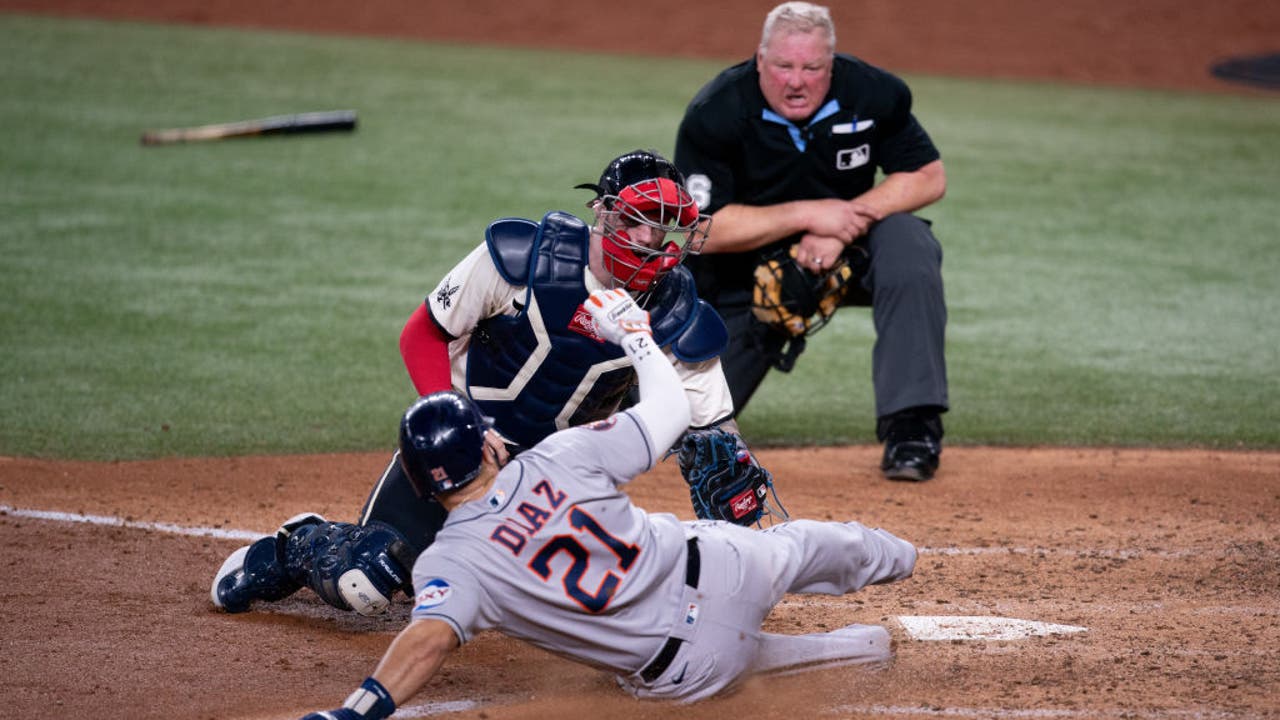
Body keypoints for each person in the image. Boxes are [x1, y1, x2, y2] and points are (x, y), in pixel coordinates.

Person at [211, 150, 781, 618]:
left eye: (671, 231)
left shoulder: (678, 315)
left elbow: (714, 442)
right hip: (461, 457)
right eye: (642, 225)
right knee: (368, 579)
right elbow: (422, 336)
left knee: (609, 604)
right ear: (605, 215)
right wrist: (458, 421)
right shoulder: (519, 260)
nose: (656, 245)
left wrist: (740, 542)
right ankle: (298, 548)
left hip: (555, 483)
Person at [296, 288, 917, 718]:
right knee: (805, 546)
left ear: (417, 478)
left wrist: (357, 712)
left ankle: (850, 649)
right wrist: (637, 339)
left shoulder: (449, 565)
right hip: (729, 567)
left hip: (688, 670)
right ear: (487, 445)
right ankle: (905, 555)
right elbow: (672, 413)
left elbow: (427, 640)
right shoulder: (557, 456)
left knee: (741, 660)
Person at [673, 1, 950, 481]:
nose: (796, 81)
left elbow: (928, 176)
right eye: (782, 66)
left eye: (812, 67)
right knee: (682, 430)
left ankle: (913, 429)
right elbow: (702, 230)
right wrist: (808, 214)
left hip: (850, 245)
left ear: (832, 66)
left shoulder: (872, 94)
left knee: (908, 245)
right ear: (760, 61)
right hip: (745, 264)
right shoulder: (717, 111)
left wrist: (846, 221)